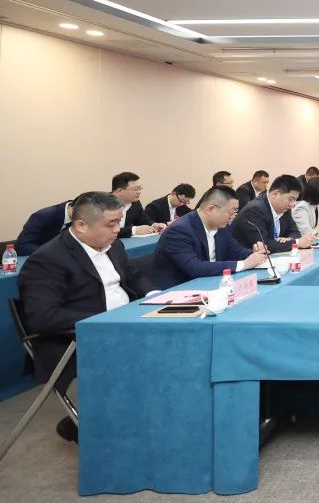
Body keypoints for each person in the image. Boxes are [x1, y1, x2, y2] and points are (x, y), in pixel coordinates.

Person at [17, 191, 156, 441]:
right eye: (111, 224)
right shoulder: (48, 260)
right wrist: (108, 320)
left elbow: (132, 275)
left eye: (119, 221)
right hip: (78, 337)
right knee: (156, 356)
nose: (118, 229)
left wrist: (155, 296)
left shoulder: (113, 246)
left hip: (125, 323)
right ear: (81, 225)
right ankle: (116, 426)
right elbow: (44, 317)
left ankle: (143, 415)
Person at [148, 186, 267, 289]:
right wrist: (244, 264)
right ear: (211, 209)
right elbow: (194, 267)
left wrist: (254, 253)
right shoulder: (179, 230)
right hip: (179, 289)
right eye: (231, 212)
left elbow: (233, 249)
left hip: (210, 282)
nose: (233, 217)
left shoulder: (221, 225)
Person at [233, 174, 314, 253]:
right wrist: (297, 242)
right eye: (290, 199)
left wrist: (289, 239)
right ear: (275, 194)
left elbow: (295, 232)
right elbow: (263, 245)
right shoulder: (255, 210)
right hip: (245, 258)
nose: (292, 204)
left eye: (295, 200)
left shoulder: (284, 208)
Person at [111, 172, 165, 238]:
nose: (139, 192)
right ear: (120, 190)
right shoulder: (103, 204)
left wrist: (153, 225)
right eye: (135, 189)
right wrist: (133, 230)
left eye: (140, 188)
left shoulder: (135, 203)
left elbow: (142, 220)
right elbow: (107, 231)